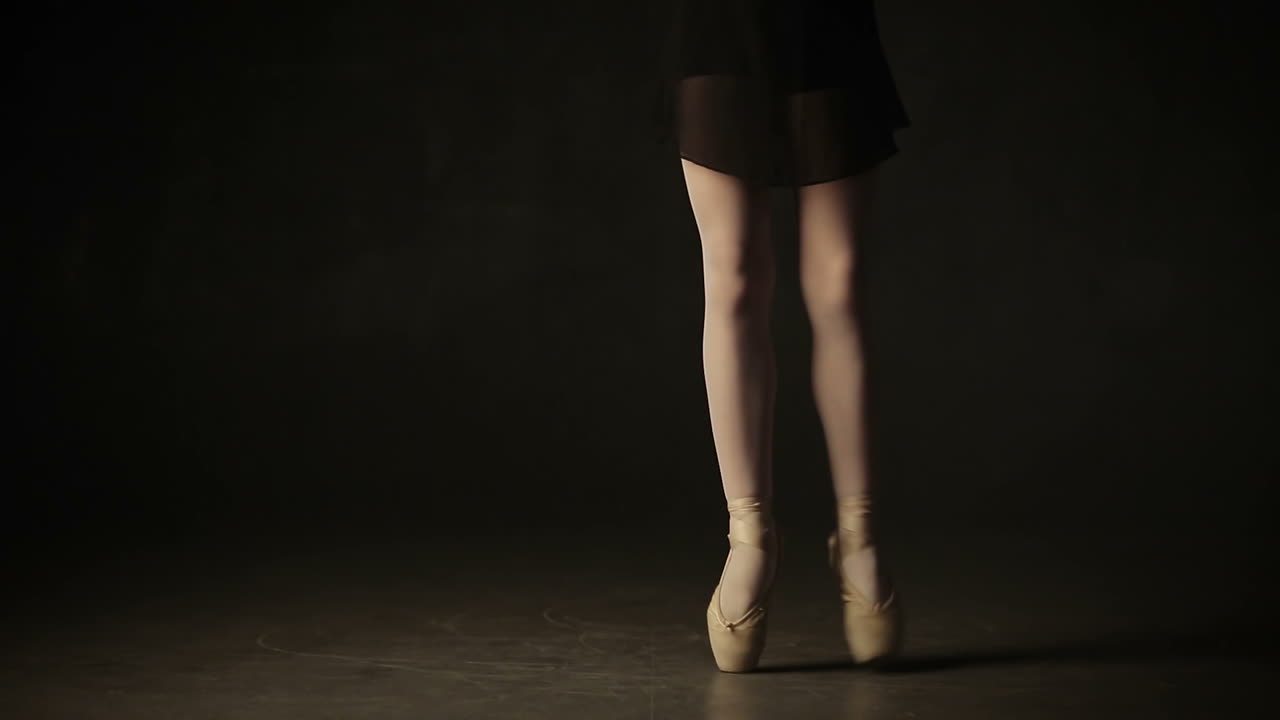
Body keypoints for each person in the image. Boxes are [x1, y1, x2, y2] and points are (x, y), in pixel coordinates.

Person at [652, 0, 911, 672]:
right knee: (734, 273)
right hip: (718, 22)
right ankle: (750, 537)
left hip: (823, 22)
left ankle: (858, 536)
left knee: (839, 282)